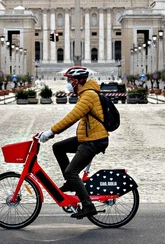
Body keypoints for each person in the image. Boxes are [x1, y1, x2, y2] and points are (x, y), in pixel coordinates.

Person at [38, 66, 109, 219]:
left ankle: (88, 206)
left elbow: (72, 117)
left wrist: (51, 132)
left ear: (77, 81)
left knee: (71, 172)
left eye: (70, 80)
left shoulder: (89, 95)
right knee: (58, 147)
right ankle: (71, 184)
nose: (69, 83)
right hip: (88, 137)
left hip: (94, 141)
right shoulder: (85, 93)